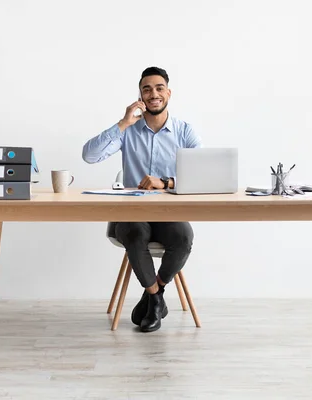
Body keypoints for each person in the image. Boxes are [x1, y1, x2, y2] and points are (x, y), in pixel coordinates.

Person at [82, 66, 201, 332]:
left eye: (159, 88)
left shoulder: (184, 131)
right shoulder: (128, 130)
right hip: (130, 211)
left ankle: (151, 295)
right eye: (147, 89)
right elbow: (89, 156)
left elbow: (202, 176)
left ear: (168, 93)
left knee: (183, 238)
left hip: (167, 212)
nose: (153, 94)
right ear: (140, 96)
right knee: (135, 232)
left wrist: (167, 182)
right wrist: (123, 123)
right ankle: (157, 299)